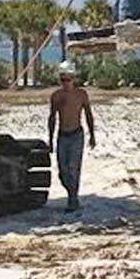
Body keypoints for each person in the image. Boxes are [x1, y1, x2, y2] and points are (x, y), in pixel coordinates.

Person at [47, 61, 96, 212]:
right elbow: (52, 117)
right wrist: (50, 139)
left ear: (73, 78)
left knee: (73, 168)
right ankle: (71, 194)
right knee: (63, 172)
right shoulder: (56, 96)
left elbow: (88, 114)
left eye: (68, 79)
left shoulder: (81, 94)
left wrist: (92, 135)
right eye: (63, 80)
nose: (65, 83)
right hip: (62, 136)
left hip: (76, 135)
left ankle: (73, 200)